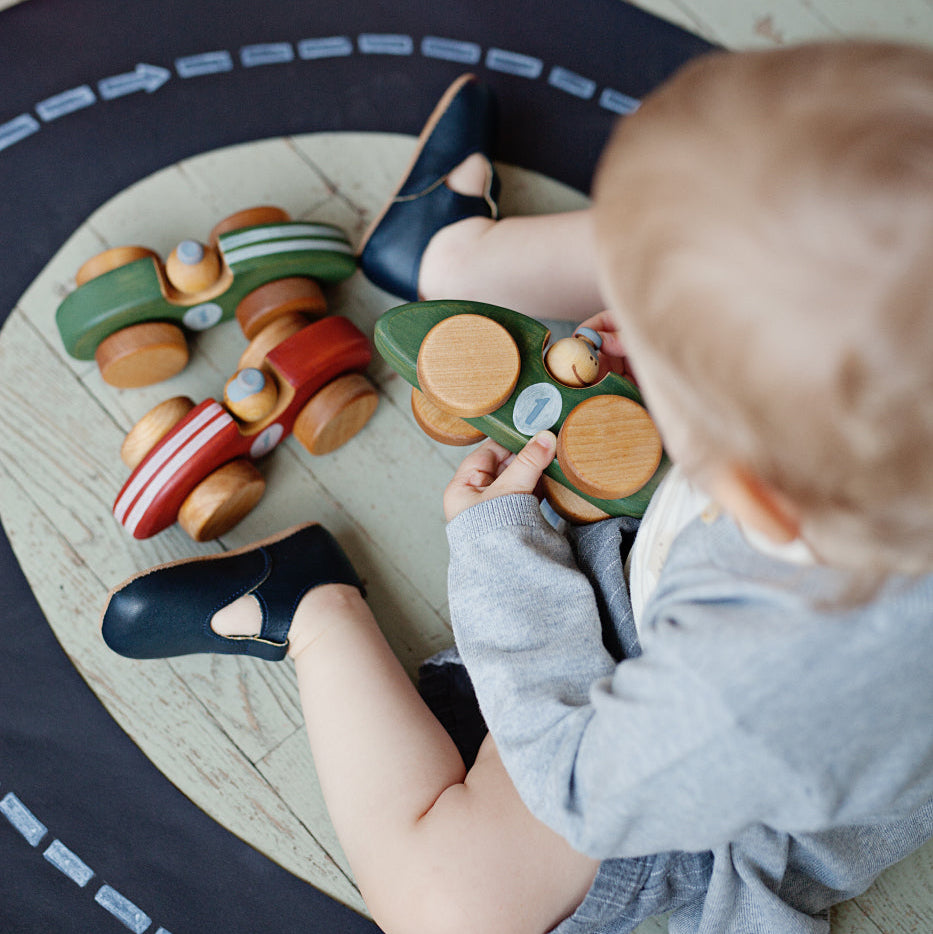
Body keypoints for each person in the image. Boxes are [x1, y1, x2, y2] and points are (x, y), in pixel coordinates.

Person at [100, 43, 933, 934]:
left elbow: (575, 785)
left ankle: (310, 611)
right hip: (756, 550)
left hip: (670, 751)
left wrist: (500, 549)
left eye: (675, 388)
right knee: (767, 229)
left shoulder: (743, 696)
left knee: (449, 910)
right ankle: (454, 258)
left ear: (751, 498)